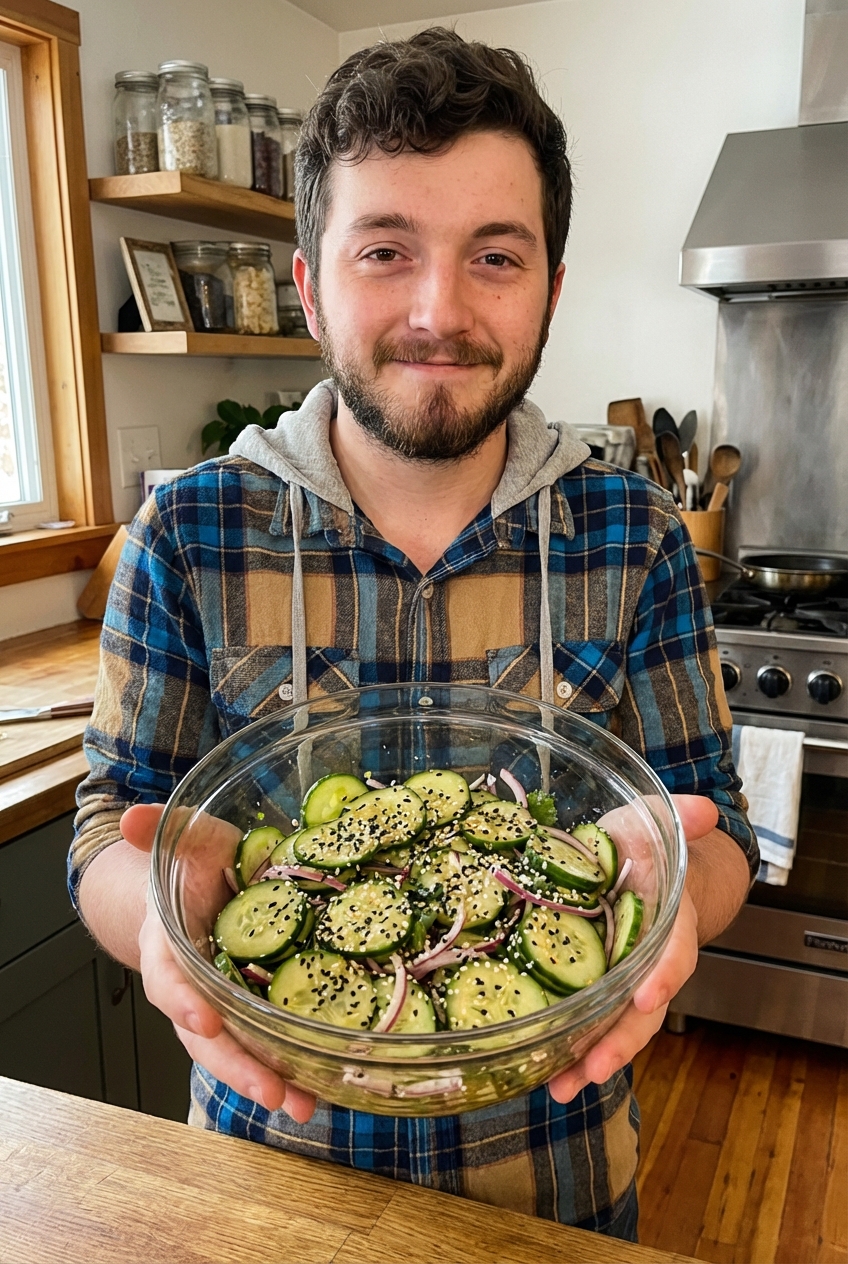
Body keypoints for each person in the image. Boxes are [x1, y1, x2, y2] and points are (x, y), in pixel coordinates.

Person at [71, 28, 755, 1241]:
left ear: (549, 281)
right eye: (384, 250)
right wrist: (163, 911)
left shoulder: (635, 533)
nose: (438, 311)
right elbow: (107, 834)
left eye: (495, 255)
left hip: (551, 1183)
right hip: (266, 1178)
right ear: (309, 280)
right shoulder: (187, 532)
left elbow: (713, 825)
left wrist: (669, 892)